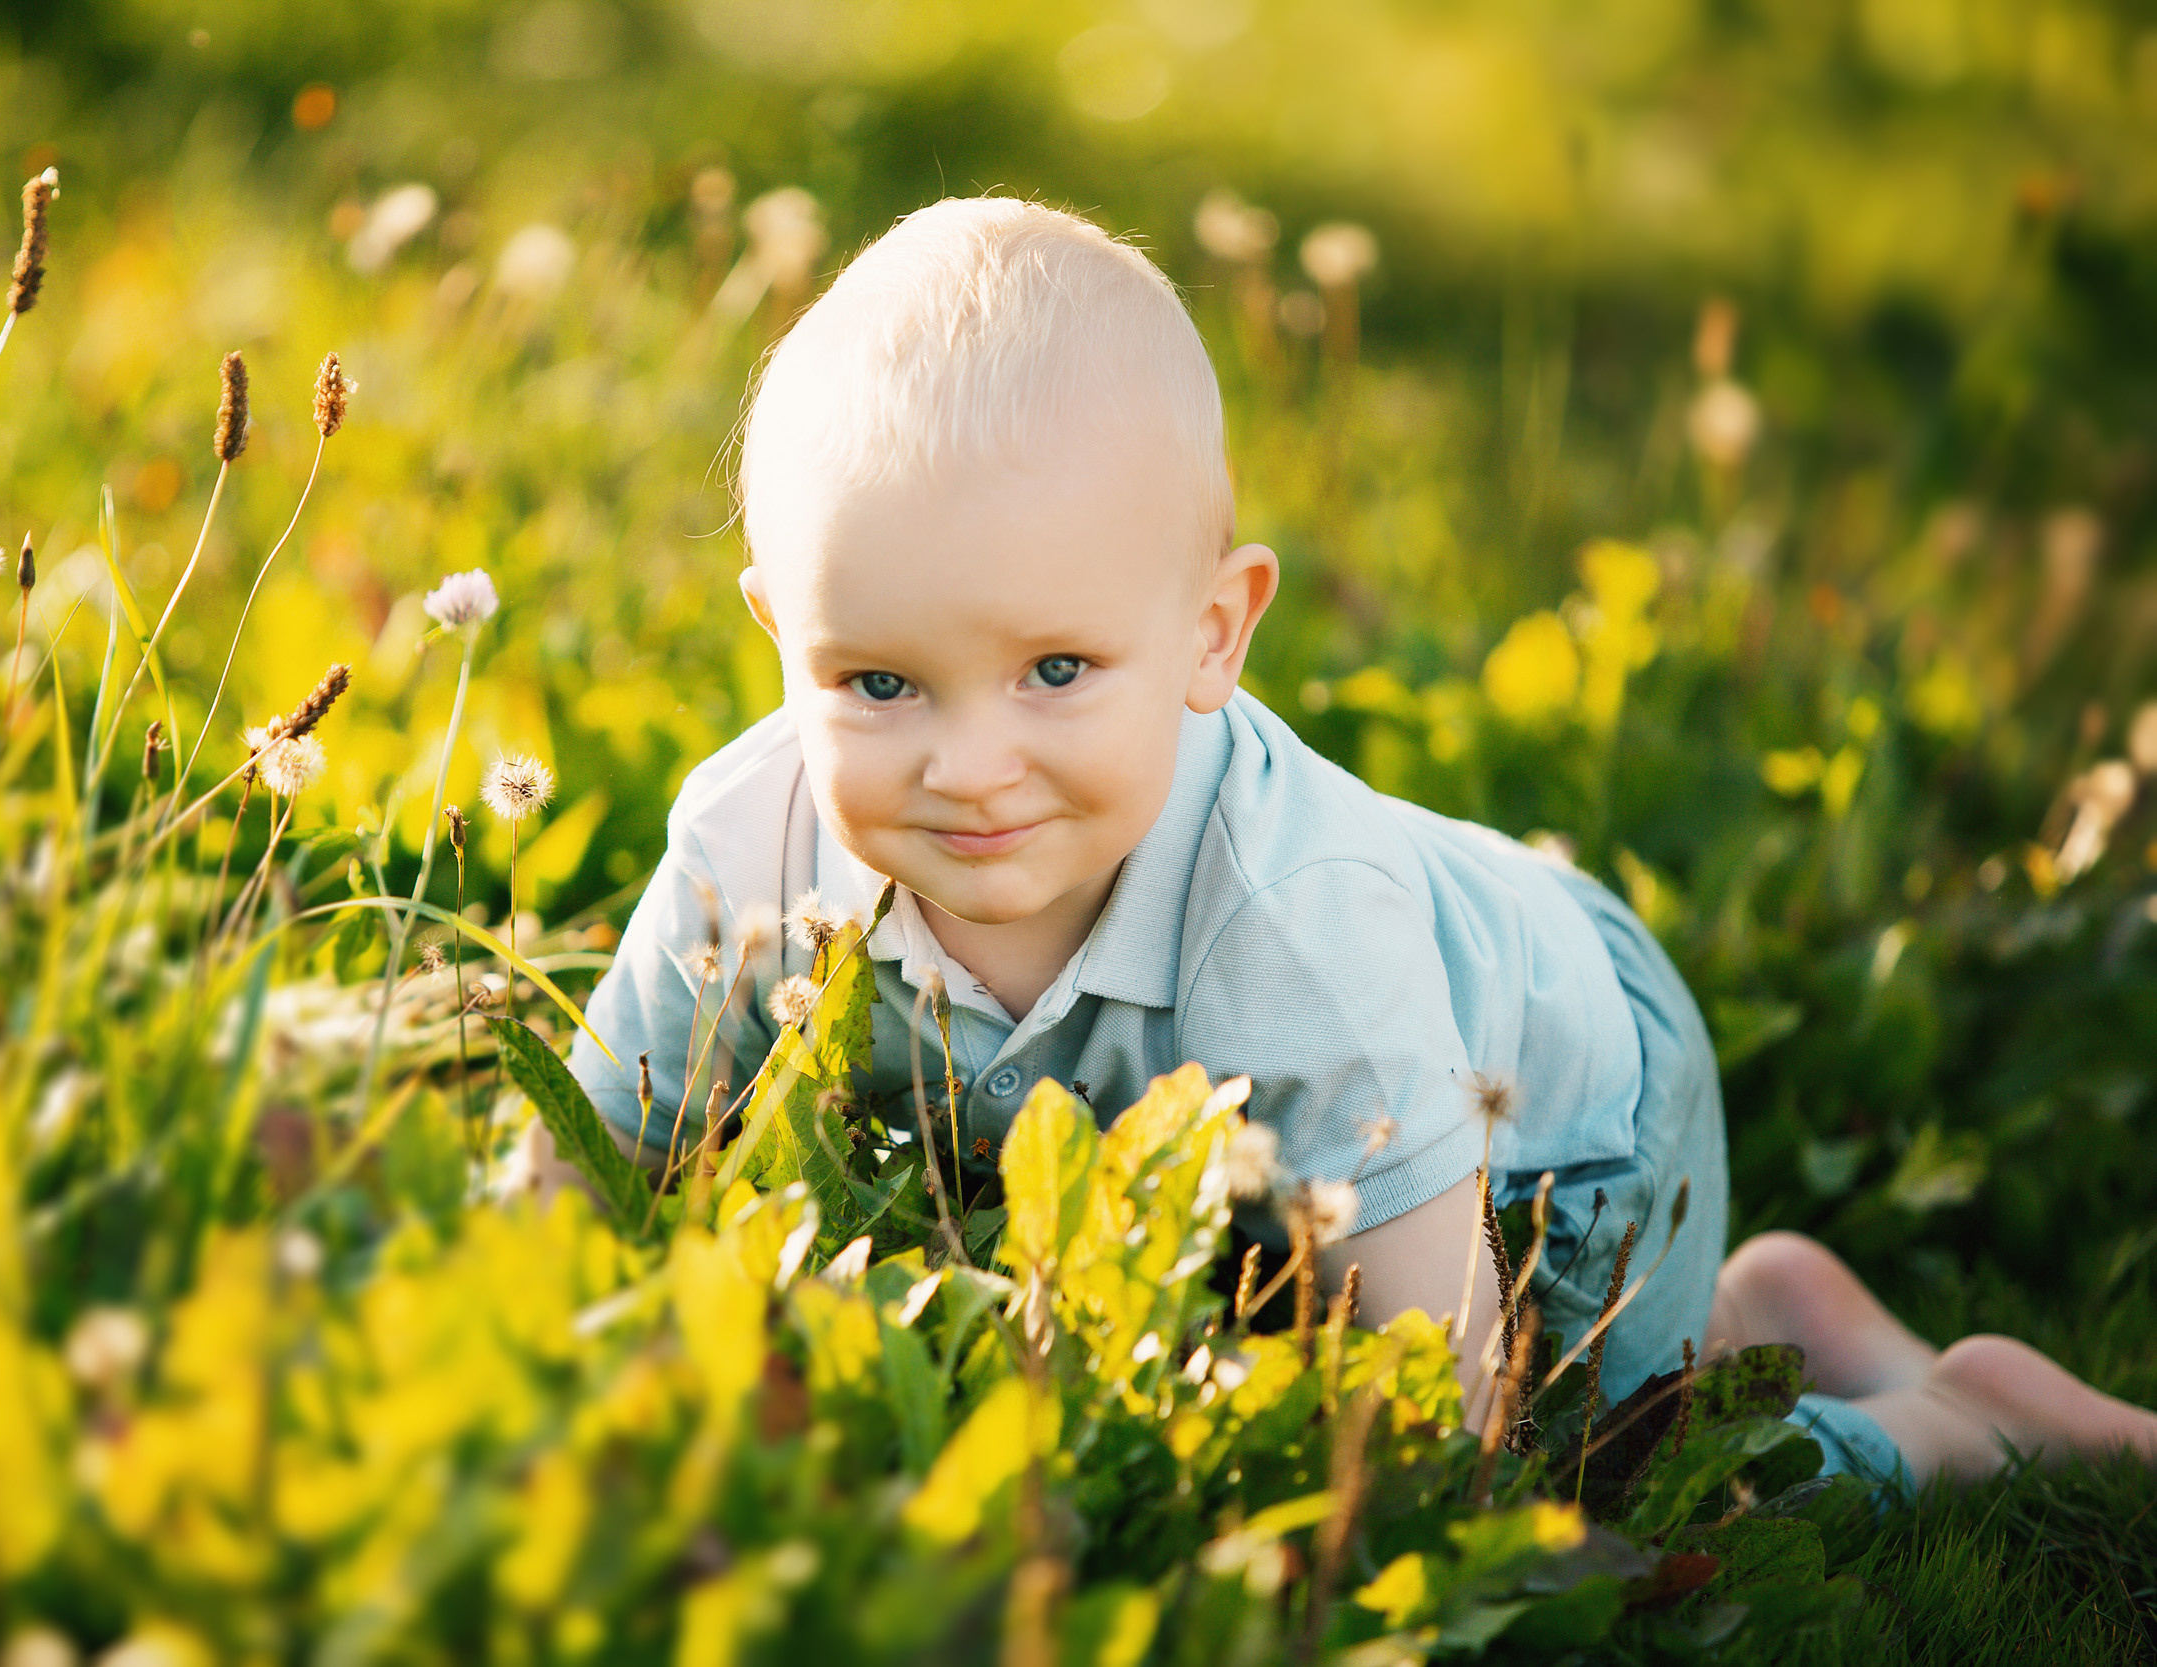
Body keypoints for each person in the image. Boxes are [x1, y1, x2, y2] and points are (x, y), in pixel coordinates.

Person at [557, 196, 2157, 1495]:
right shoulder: (751, 836)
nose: (973, 770)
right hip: (1396, 1046)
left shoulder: (1292, 925)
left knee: (1587, 1483)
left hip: (1553, 1124)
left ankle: (1955, 1429)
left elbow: (1434, 1426)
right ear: (780, 639)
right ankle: (1775, 1307)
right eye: (879, 681)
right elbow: (584, 1170)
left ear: (1212, 633)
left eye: (1056, 671)